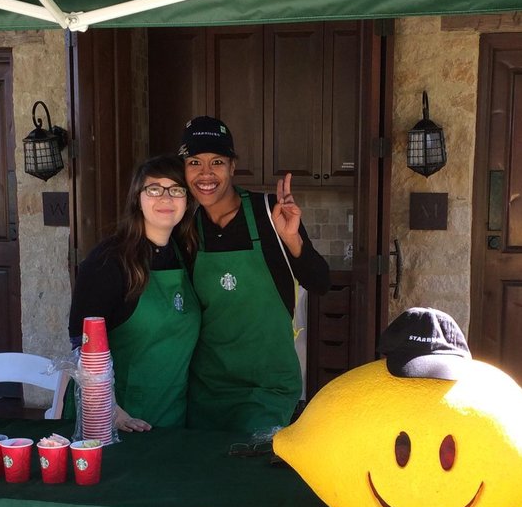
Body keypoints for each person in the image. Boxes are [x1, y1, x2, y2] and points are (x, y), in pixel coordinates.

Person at [178, 115, 330, 432]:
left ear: (233, 166)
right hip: (207, 388)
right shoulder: (186, 227)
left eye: (217, 161)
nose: (205, 173)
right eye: (195, 162)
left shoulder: (269, 212)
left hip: (267, 387)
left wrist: (292, 239)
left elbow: (321, 282)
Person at [67, 155, 201, 431]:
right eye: (154, 189)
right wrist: (111, 410)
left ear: (186, 201)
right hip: (116, 419)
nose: (166, 198)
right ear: (137, 199)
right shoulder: (108, 261)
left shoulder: (186, 255)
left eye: (176, 190)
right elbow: (81, 344)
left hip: (173, 415)